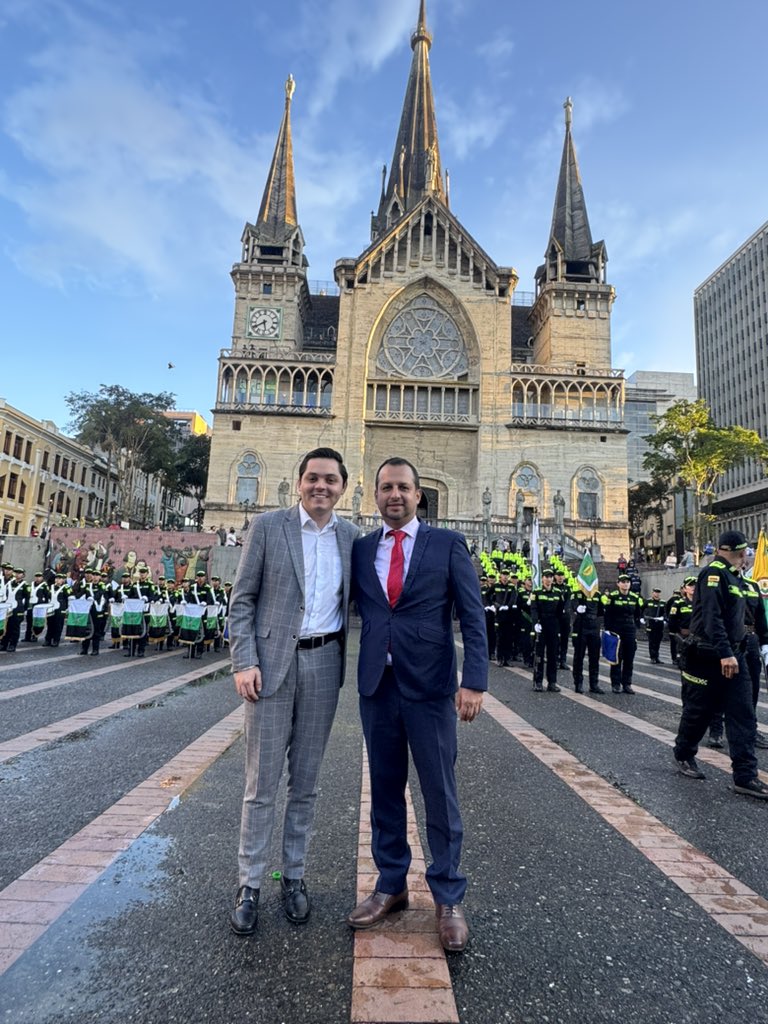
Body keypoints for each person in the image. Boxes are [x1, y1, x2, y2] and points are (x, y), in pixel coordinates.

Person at [347, 457, 487, 953]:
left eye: (403, 488)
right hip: (377, 686)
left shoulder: (448, 544)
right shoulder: (362, 549)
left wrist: (473, 681)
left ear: (419, 494)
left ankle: (448, 897)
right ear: (376, 494)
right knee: (384, 791)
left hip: (430, 689)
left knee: (439, 792)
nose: (394, 496)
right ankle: (392, 886)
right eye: (386, 488)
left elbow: (472, 615)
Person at [228, 448, 358, 935]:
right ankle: (250, 883)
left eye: (330, 480)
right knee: (261, 783)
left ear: (343, 486)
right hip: (270, 665)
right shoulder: (267, 527)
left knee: (305, 783)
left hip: (325, 663)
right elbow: (242, 601)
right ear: (298, 482)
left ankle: (294, 877)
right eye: (312, 478)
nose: (320, 486)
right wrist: (244, 662)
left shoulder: (351, 538)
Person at [673, 530, 768, 799]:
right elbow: (712, 619)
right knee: (699, 712)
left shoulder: (736, 576)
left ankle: (745, 776)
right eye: (744, 554)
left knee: (743, 714)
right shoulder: (713, 573)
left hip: (734, 655)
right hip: (707, 657)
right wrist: (725, 653)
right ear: (739, 552)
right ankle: (683, 753)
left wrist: (758, 644)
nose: (745, 558)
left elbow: (742, 618)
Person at [601, 574, 644, 693]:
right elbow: (607, 615)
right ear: (618, 583)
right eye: (623, 582)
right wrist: (609, 630)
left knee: (629, 658)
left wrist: (636, 627)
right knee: (616, 658)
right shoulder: (613, 597)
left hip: (629, 630)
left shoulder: (634, 597)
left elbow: (637, 614)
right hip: (616, 629)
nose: (625, 584)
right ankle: (616, 684)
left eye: (627, 582)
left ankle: (627, 684)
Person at [531, 568, 565, 692]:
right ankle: (538, 681)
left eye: (550, 577)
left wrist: (559, 627)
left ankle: (552, 682)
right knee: (539, 655)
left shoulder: (557, 593)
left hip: (553, 625)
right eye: (546, 576)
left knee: (553, 655)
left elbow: (560, 611)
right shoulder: (537, 592)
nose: (548, 579)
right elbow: (534, 609)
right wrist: (535, 624)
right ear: (542, 578)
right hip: (541, 624)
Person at [571, 588, 604, 694]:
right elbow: (573, 606)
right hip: (581, 626)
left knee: (594, 658)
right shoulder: (577, 594)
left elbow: (600, 611)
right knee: (579, 657)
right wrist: (578, 608)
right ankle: (578, 683)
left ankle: (594, 684)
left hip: (594, 627)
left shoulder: (597, 595)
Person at [644, 586, 666, 664]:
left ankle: (657, 657)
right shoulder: (648, 601)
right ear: (652, 593)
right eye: (655, 592)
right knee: (651, 640)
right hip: (651, 622)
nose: (657, 594)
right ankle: (652, 657)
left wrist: (664, 619)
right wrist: (643, 618)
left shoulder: (663, 602)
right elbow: (641, 610)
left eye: (658, 593)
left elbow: (665, 612)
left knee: (658, 641)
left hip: (659, 623)